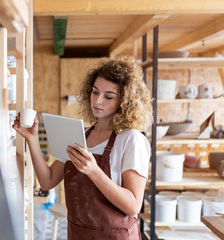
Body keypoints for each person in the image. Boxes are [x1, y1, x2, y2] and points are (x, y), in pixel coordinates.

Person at [13, 56, 153, 240]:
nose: (98, 101)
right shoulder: (79, 135)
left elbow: (133, 206)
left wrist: (94, 171)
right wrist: (31, 139)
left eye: (108, 96)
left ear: (124, 101)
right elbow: (47, 181)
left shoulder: (131, 139)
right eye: (95, 92)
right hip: (78, 234)